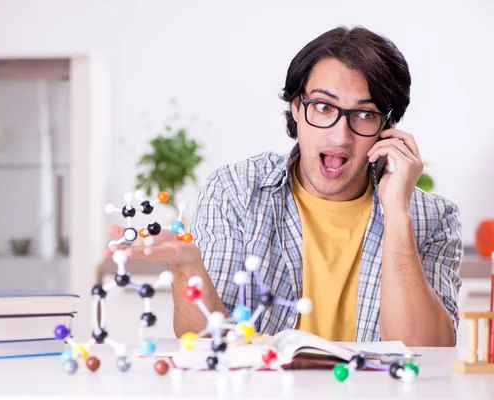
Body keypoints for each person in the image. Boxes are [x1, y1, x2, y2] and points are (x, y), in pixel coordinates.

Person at [104, 25, 463, 347]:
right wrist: (187, 269)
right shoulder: (236, 191)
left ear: (388, 128)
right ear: (296, 108)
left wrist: (397, 213)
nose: (340, 136)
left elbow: (426, 354)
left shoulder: (434, 216)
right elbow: (210, 347)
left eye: (365, 115)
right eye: (323, 107)